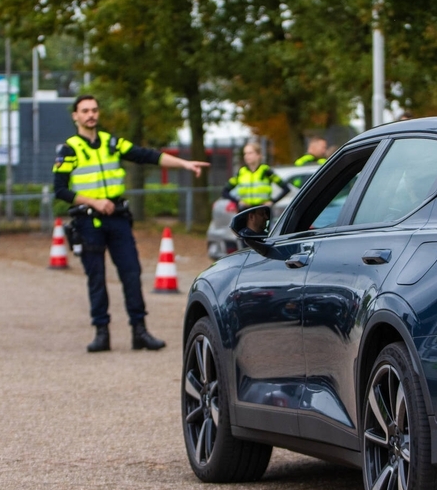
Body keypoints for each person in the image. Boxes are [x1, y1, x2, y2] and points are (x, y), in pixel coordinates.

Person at [53, 95, 209, 353]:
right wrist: (93, 201)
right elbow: (59, 189)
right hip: (88, 220)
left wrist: (183, 163)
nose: (91, 114)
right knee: (97, 278)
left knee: (131, 273)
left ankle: (140, 330)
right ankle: (101, 333)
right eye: (85, 111)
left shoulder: (111, 142)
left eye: (94, 109)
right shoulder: (69, 149)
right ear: (75, 116)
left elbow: (145, 155)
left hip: (117, 218)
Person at [222, 142, 290, 210]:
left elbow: (286, 188)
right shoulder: (242, 172)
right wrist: (238, 201)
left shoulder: (265, 171)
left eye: (250, 153)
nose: (246, 156)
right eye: (245, 153)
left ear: (258, 155)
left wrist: (273, 201)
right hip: (245, 210)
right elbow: (225, 192)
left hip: (262, 210)